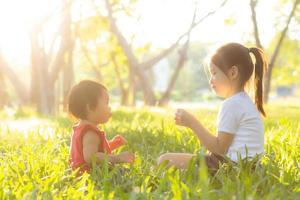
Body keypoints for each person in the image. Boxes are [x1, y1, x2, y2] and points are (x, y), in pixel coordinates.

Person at [158, 43, 267, 172]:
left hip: (230, 168)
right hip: (250, 168)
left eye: (214, 73)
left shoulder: (232, 104)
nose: (211, 80)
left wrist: (192, 122)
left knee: (164, 160)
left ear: (233, 73)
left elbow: (219, 149)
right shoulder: (244, 102)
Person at [68, 80, 135, 174]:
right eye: (106, 103)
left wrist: (112, 144)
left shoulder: (80, 127)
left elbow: (95, 149)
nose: (109, 107)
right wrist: (117, 158)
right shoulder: (90, 132)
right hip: (89, 173)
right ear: (90, 107)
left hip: (79, 172)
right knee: (125, 173)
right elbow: (91, 157)